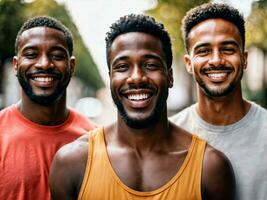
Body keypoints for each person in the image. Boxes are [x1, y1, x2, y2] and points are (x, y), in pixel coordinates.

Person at [49, 14, 235, 200]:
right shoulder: (72, 163)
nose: (137, 77)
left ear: (170, 76)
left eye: (150, 65)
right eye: (122, 67)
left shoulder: (209, 167)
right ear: (110, 78)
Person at [170, 3, 267, 200]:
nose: (216, 60)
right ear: (189, 63)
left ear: (244, 58)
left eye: (228, 49)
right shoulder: (168, 136)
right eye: (204, 51)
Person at [0, 16, 96, 200]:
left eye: (57, 56)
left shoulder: (96, 141)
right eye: (31, 54)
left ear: (72, 65)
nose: (44, 64)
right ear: (16, 65)